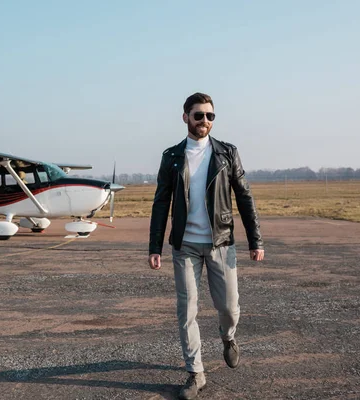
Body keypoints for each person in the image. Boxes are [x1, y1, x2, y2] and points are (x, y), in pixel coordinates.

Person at [148, 92, 264, 400]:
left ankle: (228, 337)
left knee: (229, 306)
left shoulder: (227, 153)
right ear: (185, 117)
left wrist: (256, 240)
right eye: (198, 115)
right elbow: (161, 202)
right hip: (184, 246)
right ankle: (195, 373)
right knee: (187, 311)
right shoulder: (172, 156)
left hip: (221, 243)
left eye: (210, 116)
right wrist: (155, 246)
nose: (205, 121)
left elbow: (245, 197)